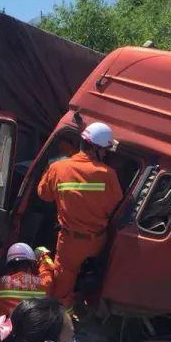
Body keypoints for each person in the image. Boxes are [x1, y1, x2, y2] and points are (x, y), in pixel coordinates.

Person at [37, 121, 123, 311]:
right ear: (98, 150)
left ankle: (62, 320)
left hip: (69, 242)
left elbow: (44, 195)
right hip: (97, 241)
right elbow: (115, 206)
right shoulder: (109, 174)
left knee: (61, 290)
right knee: (93, 281)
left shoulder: (59, 168)